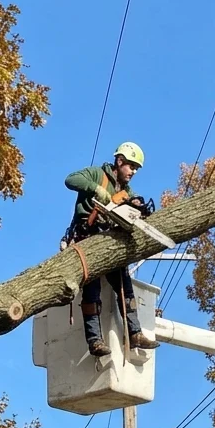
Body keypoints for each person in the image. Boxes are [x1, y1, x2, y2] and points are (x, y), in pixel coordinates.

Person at [64, 141, 160, 357]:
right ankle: (95, 340)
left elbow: (130, 203)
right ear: (119, 161)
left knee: (125, 287)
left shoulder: (126, 190)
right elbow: (70, 179)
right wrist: (96, 189)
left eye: (136, 168)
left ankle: (134, 333)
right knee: (92, 290)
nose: (133, 172)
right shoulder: (97, 174)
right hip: (88, 238)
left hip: (110, 241)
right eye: (131, 167)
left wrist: (134, 205)